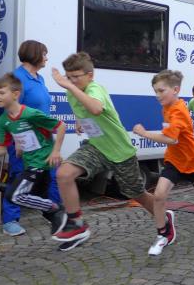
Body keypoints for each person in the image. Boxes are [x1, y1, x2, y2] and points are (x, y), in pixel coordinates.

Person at [52, 53, 156, 251]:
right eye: (68, 77)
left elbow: (96, 108)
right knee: (64, 174)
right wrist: (79, 121)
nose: (72, 81)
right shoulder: (72, 92)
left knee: (136, 194)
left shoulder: (95, 88)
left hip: (119, 151)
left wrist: (70, 87)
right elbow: (81, 110)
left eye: (76, 77)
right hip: (97, 147)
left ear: (90, 75)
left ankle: (163, 217)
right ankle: (77, 225)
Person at [133, 70, 194, 256]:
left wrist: (144, 133)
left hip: (193, 162)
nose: (158, 95)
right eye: (156, 91)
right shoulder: (167, 106)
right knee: (159, 195)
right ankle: (164, 234)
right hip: (174, 161)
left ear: (175, 90)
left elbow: (171, 139)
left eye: (161, 91)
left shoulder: (178, 111)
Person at [0, 73, 66, 235]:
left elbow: (61, 126)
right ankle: (64, 224)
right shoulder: (3, 120)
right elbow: (2, 149)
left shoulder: (30, 114)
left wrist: (56, 151)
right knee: (39, 201)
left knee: (14, 195)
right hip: (29, 163)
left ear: (16, 94)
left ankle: (54, 207)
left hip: (41, 162)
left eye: (1, 93)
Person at [0, 40, 60, 236]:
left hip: (44, 140)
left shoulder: (39, 78)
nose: (46, 58)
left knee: (53, 177)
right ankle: (10, 221)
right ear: (34, 55)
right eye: (44, 54)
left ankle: (55, 213)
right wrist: (18, 139)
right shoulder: (17, 79)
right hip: (24, 139)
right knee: (19, 178)